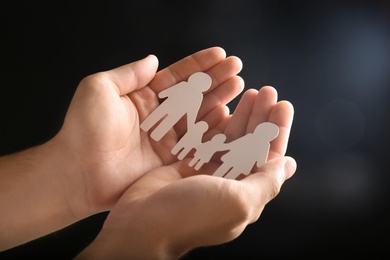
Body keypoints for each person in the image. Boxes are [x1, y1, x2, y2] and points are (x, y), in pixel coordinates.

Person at [0, 47, 296, 259]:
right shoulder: (196, 98)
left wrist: (75, 172)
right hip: (183, 124)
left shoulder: (248, 138)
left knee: (169, 129)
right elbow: (177, 102)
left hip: (208, 140)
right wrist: (153, 239)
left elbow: (188, 109)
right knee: (164, 126)